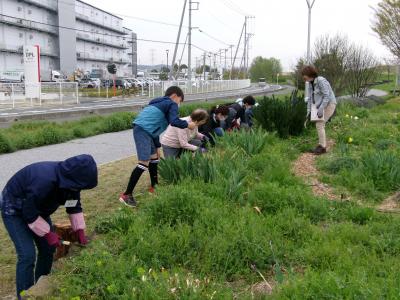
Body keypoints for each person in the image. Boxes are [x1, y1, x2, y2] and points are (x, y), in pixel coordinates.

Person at [0, 154, 98, 299]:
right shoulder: (44, 181)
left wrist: (80, 231)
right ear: (75, 178)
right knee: (27, 255)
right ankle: (25, 295)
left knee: (48, 248)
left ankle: (41, 285)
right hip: (14, 208)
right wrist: (48, 234)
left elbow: (73, 206)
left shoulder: (72, 183)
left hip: (37, 209)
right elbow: (29, 212)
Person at [119, 86, 196, 207]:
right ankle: (126, 195)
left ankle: (154, 187)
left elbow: (153, 126)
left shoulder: (158, 102)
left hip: (146, 130)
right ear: (175, 96)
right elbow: (174, 121)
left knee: (154, 159)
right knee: (144, 162)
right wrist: (188, 124)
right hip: (143, 131)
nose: (179, 104)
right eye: (180, 101)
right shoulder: (171, 103)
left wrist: (157, 146)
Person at [302, 65, 337, 155]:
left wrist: (321, 108)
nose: (303, 77)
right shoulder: (310, 84)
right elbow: (310, 99)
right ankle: (321, 145)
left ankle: (323, 148)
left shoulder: (321, 80)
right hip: (321, 106)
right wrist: (308, 112)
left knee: (320, 124)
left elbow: (327, 95)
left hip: (329, 104)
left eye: (304, 75)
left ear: (309, 74)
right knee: (320, 125)